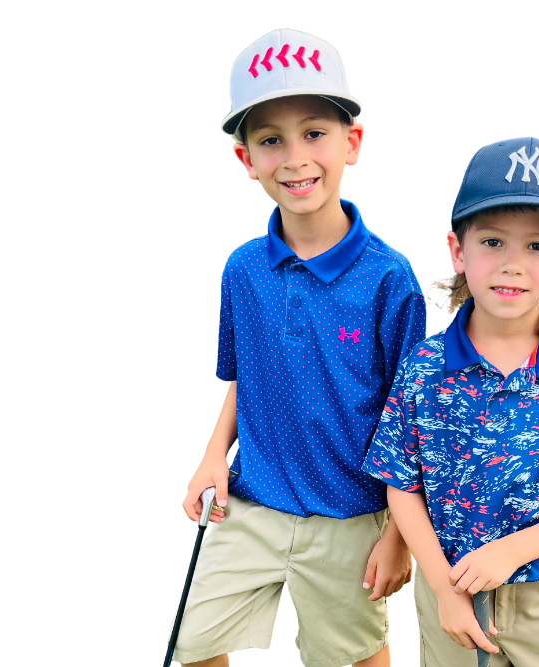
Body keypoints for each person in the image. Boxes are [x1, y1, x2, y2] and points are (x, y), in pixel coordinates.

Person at [170, 28, 429, 667]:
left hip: (350, 516)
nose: (294, 158)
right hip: (249, 505)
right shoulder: (242, 270)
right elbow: (243, 380)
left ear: (352, 143)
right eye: (270, 140)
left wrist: (400, 536)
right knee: (191, 646)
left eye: (314, 133)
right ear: (245, 158)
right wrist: (211, 458)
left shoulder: (390, 279)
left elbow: (415, 416)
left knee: (352, 656)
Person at [362, 136, 539, 667]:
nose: (512, 264)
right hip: (449, 587)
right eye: (493, 241)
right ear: (457, 251)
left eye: (537, 246)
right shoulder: (424, 367)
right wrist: (443, 588)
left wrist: (510, 552)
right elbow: (401, 484)